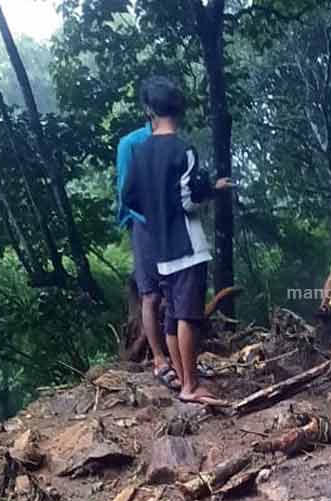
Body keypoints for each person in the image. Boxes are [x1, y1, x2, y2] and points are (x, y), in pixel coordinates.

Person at [123, 76, 232, 405]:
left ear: (149, 110)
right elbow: (188, 200)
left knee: (172, 315)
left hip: (160, 248)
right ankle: (190, 386)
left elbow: (130, 197)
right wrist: (210, 192)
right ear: (179, 109)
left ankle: (185, 380)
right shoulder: (183, 150)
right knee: (187, 316)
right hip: (187, 245)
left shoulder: (139, 152)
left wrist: (157, 212)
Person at [115, 104, 177, 389]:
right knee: (150, 294)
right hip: (144, 226)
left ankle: (180, 356)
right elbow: (126, 192)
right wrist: (143, 221)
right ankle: (159, 359)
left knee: (175, 291)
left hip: (173, 226)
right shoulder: (131, 143)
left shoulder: (173, 140)